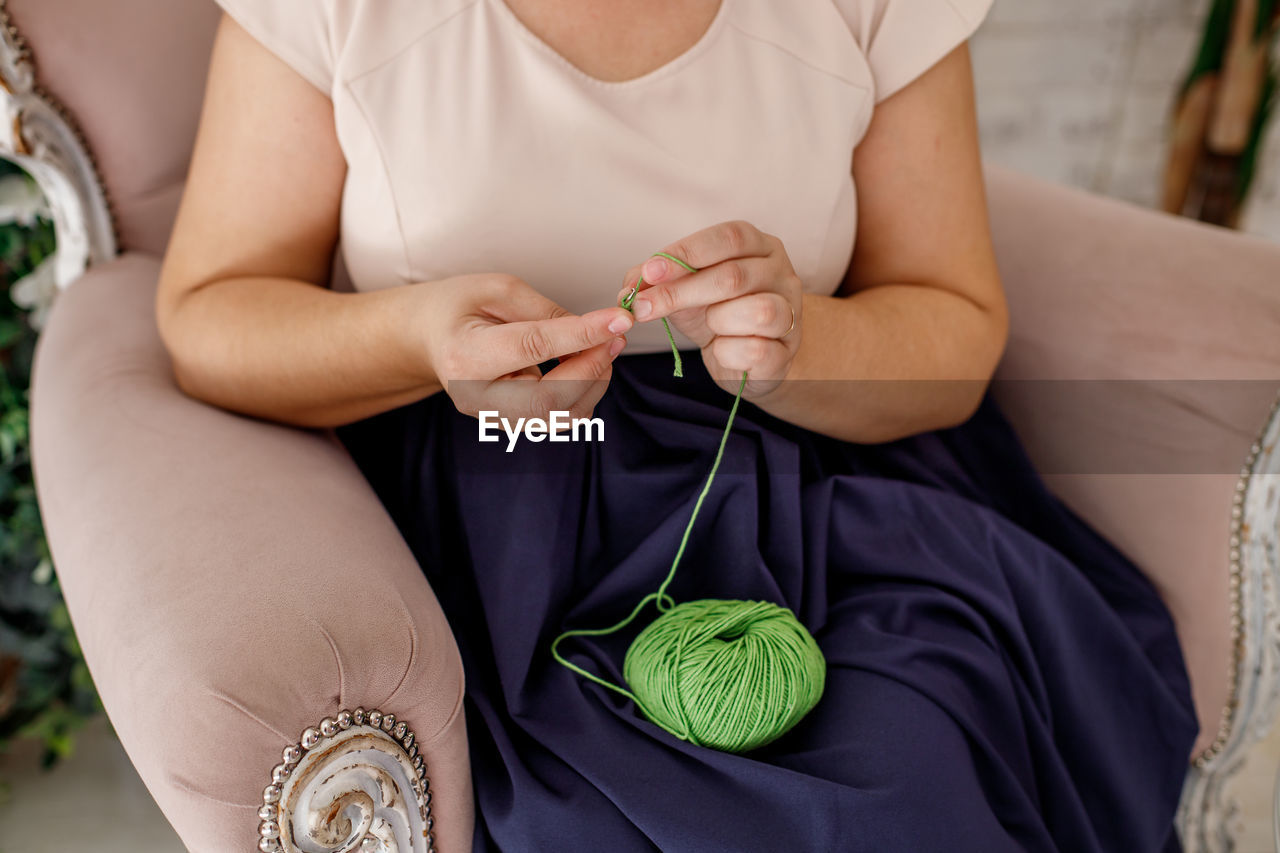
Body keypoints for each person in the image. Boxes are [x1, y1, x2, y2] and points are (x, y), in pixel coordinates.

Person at [156, 0, 1200, 849]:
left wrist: (800, 343)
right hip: (491, 504)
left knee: (912, 767)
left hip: (815, 494)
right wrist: (421, 337)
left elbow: (955, 332)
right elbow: (209, 317)